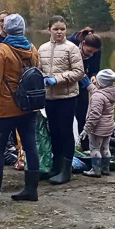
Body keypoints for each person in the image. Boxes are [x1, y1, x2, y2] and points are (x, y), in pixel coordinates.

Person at [0, 14, 42, 202]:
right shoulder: (33, 49)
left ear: (6, 29)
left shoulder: (2, 49)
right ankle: (31, 190)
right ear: (23, 29)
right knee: (31, 147)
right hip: (28, 106)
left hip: (6, 106)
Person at [39, 15, 85, 185]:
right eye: (55, 29)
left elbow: (79, 72)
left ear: (66, 29)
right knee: (54, 132)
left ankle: (66, 170)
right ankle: (56, 166)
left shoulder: (71, 48)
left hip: (67, 97)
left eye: (62, 29)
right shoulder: (42, 49)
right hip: (49, 97)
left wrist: (57, 79)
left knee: (65, 131)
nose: (59, 32)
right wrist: (42, 78)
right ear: (49, 29)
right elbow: (38, 69)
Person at [82, 69, 115, 178]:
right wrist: (89, 85)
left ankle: (95, 170)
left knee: (94, 149)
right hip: (108, 127)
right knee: (105, 148)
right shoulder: (110, 92)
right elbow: (98, 92)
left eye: (97, 81)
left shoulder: (97, 97)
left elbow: (95, 115)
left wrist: (87, 129)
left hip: (97, 128)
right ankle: (105, 168)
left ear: (101, 83)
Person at [69, 27, 102, 149]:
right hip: (67, 84)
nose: (91, 54)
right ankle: (67, 147)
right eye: (89, 51)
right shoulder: (70, 44)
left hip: (83, 85)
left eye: (94, 52)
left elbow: (95, 67)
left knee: (82, 115)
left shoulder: (96, 51)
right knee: (65, 116)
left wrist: (93, 76)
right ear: (83, 43)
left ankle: (85, 147)